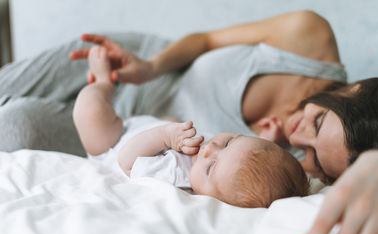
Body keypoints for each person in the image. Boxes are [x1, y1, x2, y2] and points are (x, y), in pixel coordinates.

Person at [69, 11, 378, 234]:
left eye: (312, 155)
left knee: (18, 123)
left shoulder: (279, 169)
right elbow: (205, 40)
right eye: (318, 121)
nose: (298, 137)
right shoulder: (309, 35)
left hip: (115, 128)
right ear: (355, 89)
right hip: (138, 65)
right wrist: (149, 67)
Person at [73, 46, 309, 208]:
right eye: (229, 142)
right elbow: (248, 157)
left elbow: (127, 160)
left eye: (211, 167)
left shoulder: (177, 177)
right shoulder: (216, 161)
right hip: (144, 128)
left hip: (112, 143)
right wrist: (268, 139)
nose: (210, 148)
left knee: (89, 112)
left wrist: (165, 135)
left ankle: (104, 81)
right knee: (174, 120)